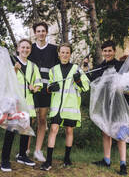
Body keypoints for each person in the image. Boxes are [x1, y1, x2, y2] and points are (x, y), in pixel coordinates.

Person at [40, 43, 89, 171]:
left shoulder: (76, 69)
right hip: (57, 107)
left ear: (70, 54)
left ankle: (67, 159)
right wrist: (50, 88)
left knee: (69, 131)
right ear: (59, 53)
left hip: (70, 107)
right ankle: (48, 161)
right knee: (53, 129)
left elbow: (85, 87)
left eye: (67, 52)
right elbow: (49, 87)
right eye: (62, 52)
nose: (65, 55)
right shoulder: (53, 70)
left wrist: (78, 81)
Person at [0, 39, 42, 172]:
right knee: (11, 131)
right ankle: (5, 160)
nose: (25, 50)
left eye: (28, 48)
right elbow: (4, 80)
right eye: (23, 47)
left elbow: (39, 83)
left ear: (30, 50)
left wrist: (34, 88)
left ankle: (22, 155)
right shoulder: (12, 62)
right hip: (14, 103)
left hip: (28, 104)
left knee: (25, 130)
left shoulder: (33, 66)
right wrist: (15, 70)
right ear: (18, 48)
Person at [88, 40, 128, 175]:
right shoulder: (99, 68)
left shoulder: (121, 66)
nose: (107, 53)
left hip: (119, 106)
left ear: (114, 51)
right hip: (105, 106)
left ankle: (123, 164)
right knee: (106, 132)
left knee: (120, 134)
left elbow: (128, 84)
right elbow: (92, 83)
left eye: (110, 50)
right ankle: (107, 160)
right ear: (102, 52)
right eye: (105, 51)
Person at [28, 22, 60, 162]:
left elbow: (59, 69)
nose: (41, 33)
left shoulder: (54, 49)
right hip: (32, 90)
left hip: (46, 91)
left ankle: (38, 150)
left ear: (46, 32)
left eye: (43, 31)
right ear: (35, 33)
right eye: (38, 31)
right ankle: (26, 149)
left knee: (42, 119)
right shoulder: (31, 49)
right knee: (29, 119)